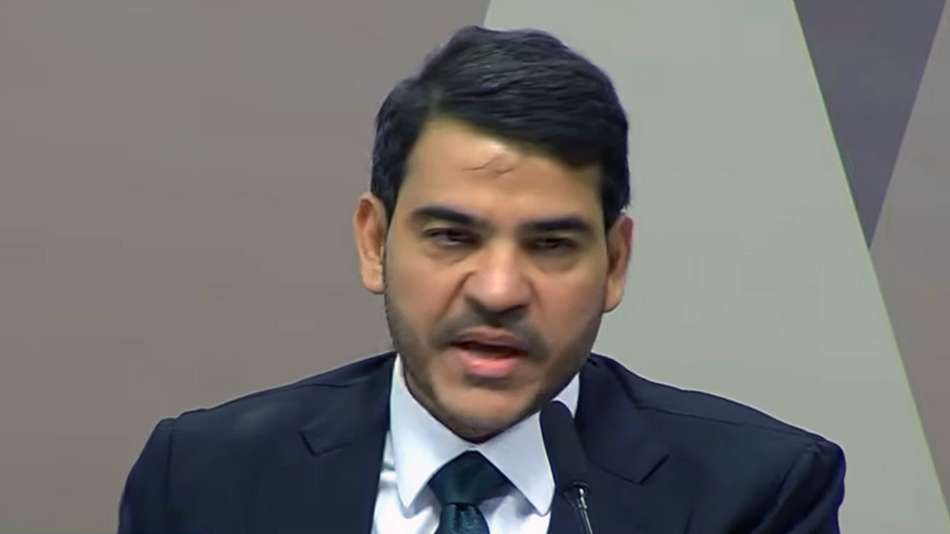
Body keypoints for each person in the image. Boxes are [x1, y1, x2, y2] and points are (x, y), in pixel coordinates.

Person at [118, 25, 845, 534]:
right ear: (374, 243)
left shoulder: (755, 495)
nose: (498, 291)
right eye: (451, 237)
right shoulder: (205, 480)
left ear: (614, 263)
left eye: (551, 245)